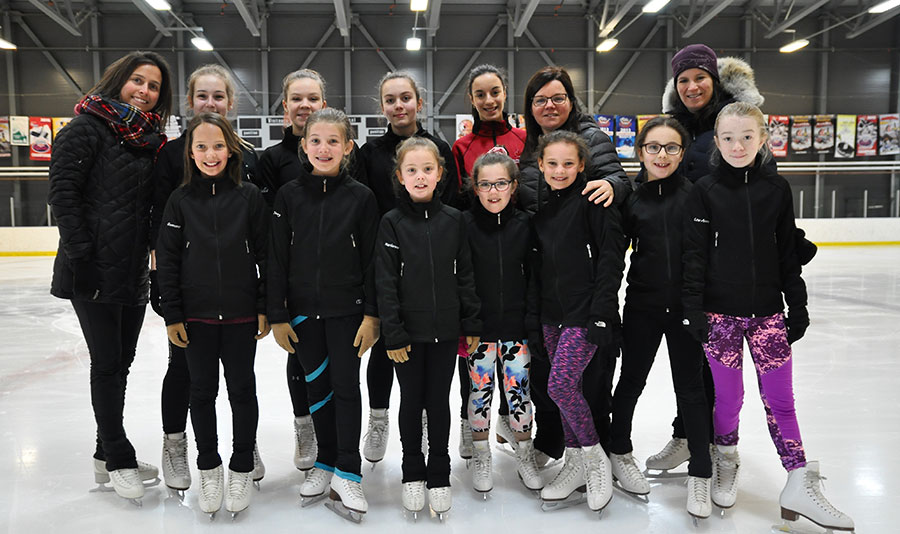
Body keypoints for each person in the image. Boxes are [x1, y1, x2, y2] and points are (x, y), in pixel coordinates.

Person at [682, 102, 853, 531]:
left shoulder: (777, 190)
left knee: (780, 401)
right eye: (727, 138)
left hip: (767, 317)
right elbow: (694, 258)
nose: (737, 145)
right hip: (719, 317)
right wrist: (693, 309)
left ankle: (797, 479)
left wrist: (799, 305)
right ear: (716, 143)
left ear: (763, 139)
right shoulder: (704, 190)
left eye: (746, 137)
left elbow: (787, 257)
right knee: (730, 399)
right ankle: (726, 457)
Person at [648, 43, 818, 472]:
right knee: (696, 371)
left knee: (732, 384)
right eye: (683, 80)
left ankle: (703, 443)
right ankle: (690, 436)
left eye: (699, 77)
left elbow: (766, 204)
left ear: (715, 80)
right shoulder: (676, 127)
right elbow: (654, 176)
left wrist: (788, 251)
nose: (692, 86)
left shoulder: (739, 122)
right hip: (689, 267)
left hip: (739, 282)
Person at [49, 51, 173, 502]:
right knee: (106, 363)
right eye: (136, 81)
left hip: (132, 271)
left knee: (121, 363)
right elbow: (63, 194)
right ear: (118, 81)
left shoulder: (148, 139)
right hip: (93, 270)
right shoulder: (86, 128)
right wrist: (83, 256)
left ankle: (106, 451)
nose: (143, 91)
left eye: (153, 86)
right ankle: (118, 454)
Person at [148, 63, 263, 494]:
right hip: (190, 299)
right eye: (202, 95)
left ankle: (243, 452)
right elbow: (161, 229)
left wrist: (265, 302)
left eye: (218, 96)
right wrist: (169, 298)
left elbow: (261, 241)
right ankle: (183, 447)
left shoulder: (246, 165)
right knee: (191, 378)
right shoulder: (172, 160)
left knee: (239, 386)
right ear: (190, 101)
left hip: (235, 303)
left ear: (230, 103)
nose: (210, 102)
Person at [268, 109, 380, 521]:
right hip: (301, 315)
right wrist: (278, 314)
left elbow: (372, 263)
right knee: (316, 390)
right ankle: (325, 463)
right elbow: (277, 258)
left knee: (346, 388)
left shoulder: (361, 197)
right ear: (304, 146)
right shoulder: (288, 196)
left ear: (348, 147)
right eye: (316, 140)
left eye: (333, 141)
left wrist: (372, 315)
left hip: (348, 313)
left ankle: (348, 471)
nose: (324, 148)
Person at [518, 65, 630, 467]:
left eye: (557, 98)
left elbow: (618, 181)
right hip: (547, 281)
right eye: (540, 100)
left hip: (586, 289)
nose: (549, 106)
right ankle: (560, 447)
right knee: (551, 377)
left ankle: (595, 456)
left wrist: (614, 186)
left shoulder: (592, 138)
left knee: (584, 379)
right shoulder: (529, 149)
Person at [608, 117, 712, 518]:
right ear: (640, 152)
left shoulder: (697, 196)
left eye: (671, 147)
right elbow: (615, 257)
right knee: (630, 381)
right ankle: (619, 449)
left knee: (690, 389)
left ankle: (701, 471)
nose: (662, 155)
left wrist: (697, 307)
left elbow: (705, 255)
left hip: (687, 311)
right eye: (653, 147)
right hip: (643, 307)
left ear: (683, 153)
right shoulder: (632, 200)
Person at [357, 71, 461, 465]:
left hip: (427, 266)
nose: (399, 106)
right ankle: (380, 417)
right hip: (384, 259)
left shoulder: (439, 148)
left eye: (406, 98)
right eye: (390, 99)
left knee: (428, 361)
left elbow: (447, 210)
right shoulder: (370, 153)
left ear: (420, 102)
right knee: (386, 346)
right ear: (382, 106)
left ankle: (424, 421)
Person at [375, 137, 480, 519]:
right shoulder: (392, 222)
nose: (420, 177)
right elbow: (385, 282)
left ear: (440, 174)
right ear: (400, 177)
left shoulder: (454, 220)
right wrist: (394, 331)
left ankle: (439, 473)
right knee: (411, 401)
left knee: (438, 402)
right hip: (407, 335)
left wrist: (469, 320)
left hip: (445, 331)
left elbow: (465, 274)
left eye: (427, 169)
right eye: (412, 170)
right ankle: (412, 472)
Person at [531, 131, 626, 513]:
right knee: (564, 388)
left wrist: (602, 313)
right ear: (540, 165)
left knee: (561, 385)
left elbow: (611, 259)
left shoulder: (595, 203)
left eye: (568, 163)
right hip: (552, 315)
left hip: (585, 313)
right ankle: (573, 463)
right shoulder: (542, 212)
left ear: (582, 165)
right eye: (552, 163)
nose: (559, 170)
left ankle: (594, 458)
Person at [451, 64, 526, 456]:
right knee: (477, 359)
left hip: (513, 246)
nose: (488, 100)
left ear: (505, 92)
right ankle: (471, 425)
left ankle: (509, 422)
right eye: (480, 94)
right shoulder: (461, 147)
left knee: (515, 365)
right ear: (471, 99)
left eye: (494, 91)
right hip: (477, 250)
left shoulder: (523, 138)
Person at [257, 68, 328, 471]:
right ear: (285, 107)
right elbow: (270, 232)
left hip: (335, 282)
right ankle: (306, 428)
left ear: (323, 104)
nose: (305, 105)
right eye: (297, 99)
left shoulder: (336, 153)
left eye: (313, 98)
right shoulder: (272, 160)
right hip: (294, 281)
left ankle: (333, 429)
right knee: (299, 356)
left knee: (335, 358)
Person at [462, 152, 542, 495]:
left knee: (519, 391)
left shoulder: (527, 224)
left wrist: (531, 322)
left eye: (500, 184)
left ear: (514, 185)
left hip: (516, 329)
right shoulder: (463, 225)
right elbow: (460, 279)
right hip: (478, 330)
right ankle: (481, 453)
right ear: (475, 188)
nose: (493, 192)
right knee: (479, 391)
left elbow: (536, 278)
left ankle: (525, 451)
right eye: (485, 184)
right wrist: (466, 321)